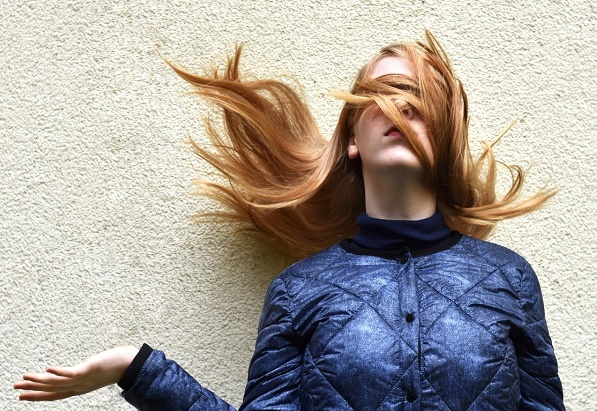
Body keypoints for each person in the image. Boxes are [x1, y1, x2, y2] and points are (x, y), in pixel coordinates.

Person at [14, 31, 564, 410]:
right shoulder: (298, 289)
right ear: (352, 139)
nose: (403, 105)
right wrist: (137, 369)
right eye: (383, 94)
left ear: (444, 135)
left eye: (420, 96)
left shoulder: (509, 279)